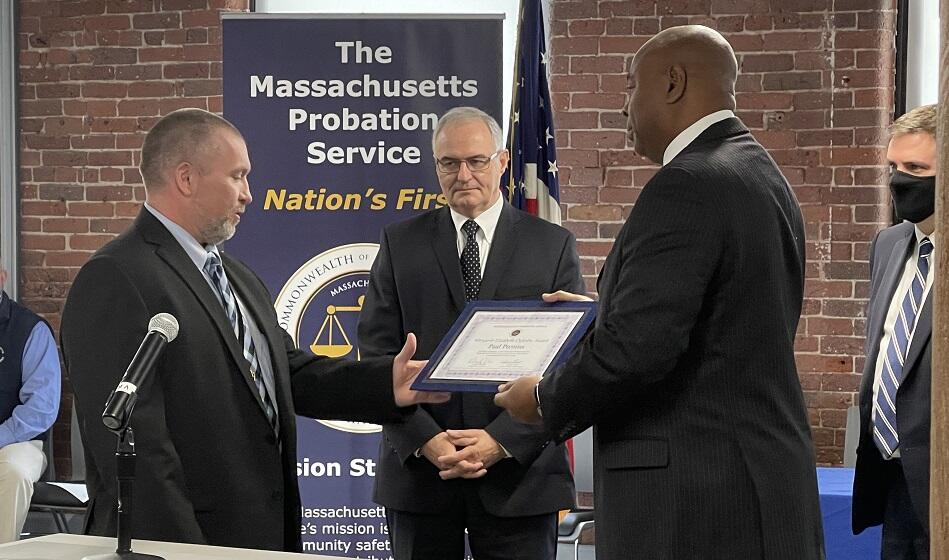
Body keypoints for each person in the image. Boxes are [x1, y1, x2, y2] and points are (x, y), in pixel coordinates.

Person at [495, 25, 825, 559]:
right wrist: (607, 315)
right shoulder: (759, 173)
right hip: (751, 485)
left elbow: (637, 351)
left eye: (631, 86)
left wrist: (540, 399)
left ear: (673, 82)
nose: (625, 106)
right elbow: (721, 316)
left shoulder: (687, 184)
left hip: (694, 506)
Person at [60, 108, 446, 552]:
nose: (248, 194)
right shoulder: (117, 276)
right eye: (238, 176)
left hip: (259, 536)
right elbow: (135, 446)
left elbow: (290, 373)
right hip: (186, 542)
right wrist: (185, 551)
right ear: (186, 179)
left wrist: (386, 385)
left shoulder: (235, 275)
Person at [357, 106, 583, 560]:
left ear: (501, 162)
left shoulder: (551, 244)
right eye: (449, 163)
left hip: (520, 476)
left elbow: (568, 361)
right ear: (436, 165)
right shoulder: (399, 243)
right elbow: (377, 354)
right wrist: (425, 439)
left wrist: (501, 441)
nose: (463, 174)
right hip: (422, 477)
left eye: (477, 161)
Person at [852, 103, 938, 560]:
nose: (899, 180)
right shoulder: (888, 244)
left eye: (917, 168)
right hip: (892, 473)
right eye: (894, 167)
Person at [0, 265, 61, 543]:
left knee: (14, 472)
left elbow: (40, 410)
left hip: (17, 442)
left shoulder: (30, 329)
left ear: (2, 277)